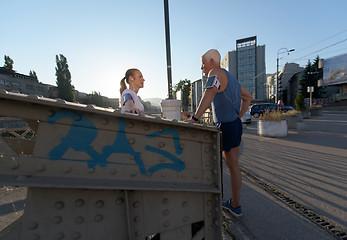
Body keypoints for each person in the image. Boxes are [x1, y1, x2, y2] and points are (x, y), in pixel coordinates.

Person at [189, 49, 252, 218]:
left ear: (211, 61)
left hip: (225, 126)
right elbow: (248, 97)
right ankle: (235, 204)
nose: (202, 68)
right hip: (235, 125)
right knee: (234, 167)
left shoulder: (215, 72)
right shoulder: (232, 79)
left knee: (221, 165)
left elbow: (209, 93)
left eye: (203, 64)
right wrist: (238, 116)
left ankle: (228, 204)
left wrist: (194, 118)